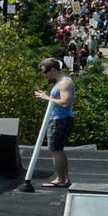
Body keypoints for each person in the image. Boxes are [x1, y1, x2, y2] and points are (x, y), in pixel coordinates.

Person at [35, 59, 75, 188]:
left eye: (45, 72)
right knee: (59, 150)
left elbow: (65, 103)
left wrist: (48, 98)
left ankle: (60, 179)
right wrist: (49, 96)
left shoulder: (64, 83)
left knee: (55, 150)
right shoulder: (60, 83)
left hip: (60, 119)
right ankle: (65, 178)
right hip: (59, 118)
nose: (45, 75)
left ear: (52, 70)